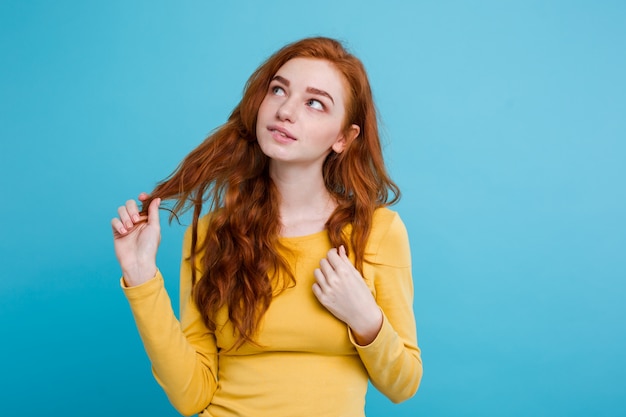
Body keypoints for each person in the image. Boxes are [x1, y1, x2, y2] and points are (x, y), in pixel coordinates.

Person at [111, 37, 422, 417]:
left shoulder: (377, 232)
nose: (286, 110)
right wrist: (141, 278)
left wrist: (365, 318)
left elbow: (403, 385)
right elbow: (191, 394)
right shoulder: (212, 233)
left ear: (344, 137)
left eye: (314, 103)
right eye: (278, 90)